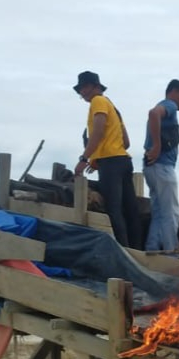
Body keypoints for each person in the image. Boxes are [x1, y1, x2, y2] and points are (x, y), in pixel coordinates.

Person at [72, 71, 142, 249]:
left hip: (111, 163)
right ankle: (136, 250)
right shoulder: (113, 108)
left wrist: (85, 158)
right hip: (123, 161)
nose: (83, 92)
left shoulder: (98, 101)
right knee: (130, 210)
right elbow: (125, 142)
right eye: (81, 89)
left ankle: (123, 253)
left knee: (114, 210)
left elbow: (98, 130)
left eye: (85, 87)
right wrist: (99, 156)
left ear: (96, 87)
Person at [142, 78, 179, 253]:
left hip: (152, 168)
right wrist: (157, 146)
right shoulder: (169, 105)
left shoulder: (167, 107)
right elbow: (153, 113)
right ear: (174, 92)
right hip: (162, 167)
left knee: (160, 213)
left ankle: (153, 250)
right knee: (171, 213)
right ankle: (171, 254)